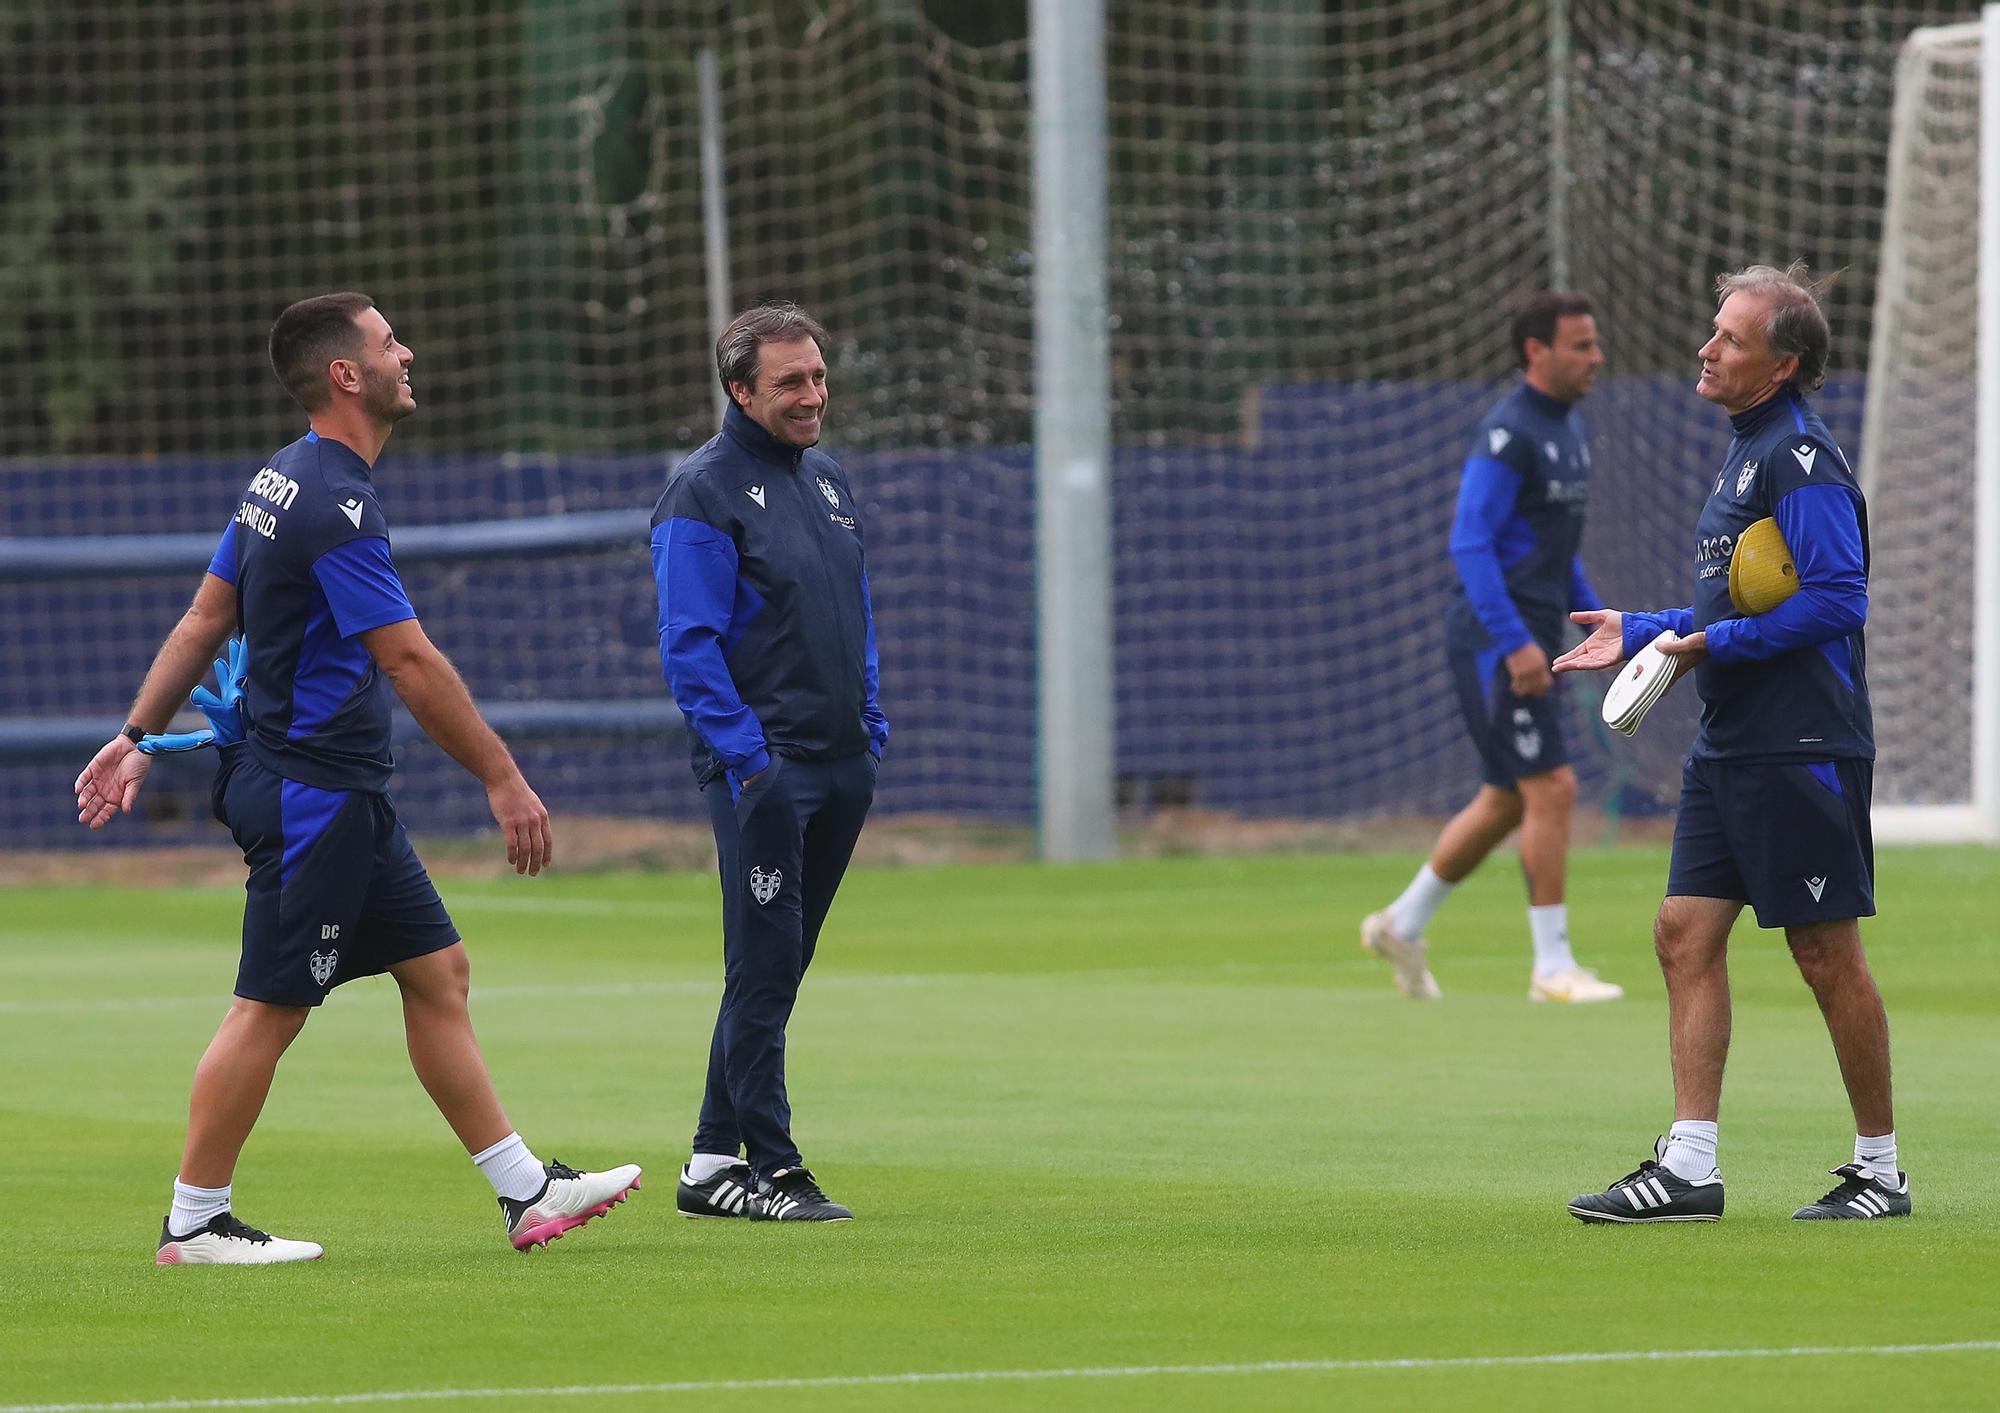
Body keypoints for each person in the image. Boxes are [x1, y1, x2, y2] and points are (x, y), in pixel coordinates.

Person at [75, 293, 641, 1264]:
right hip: (310, 795)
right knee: (272, 1004)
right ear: (347, 374)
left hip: (335, 792)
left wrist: (135, 733)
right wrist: (503, 780)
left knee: (437, 973)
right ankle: (196, 1222)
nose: (405, 352)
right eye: (388, 343)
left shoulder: (278, 481)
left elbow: (206, 619)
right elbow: (410, 662)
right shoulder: (334, 502)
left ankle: (524, 1191)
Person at [1556, 262, 1907, 1223]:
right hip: (1733, 737)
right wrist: (1641, 629)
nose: (1707, 349)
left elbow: (1839, 600)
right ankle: (1690, 1167)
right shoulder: (1747, 448)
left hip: (1802, 741)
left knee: (1823, 952)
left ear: (1783, 364)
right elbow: (1735, 601)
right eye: (1713, 330)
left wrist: (1710, 645)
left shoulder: (1800, 458)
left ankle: (1880, 1169)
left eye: (1731, 339)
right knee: (1683, 933)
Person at [652, 303, 887, 1224]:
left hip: (840, 765)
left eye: (818, 376)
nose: (812, 395)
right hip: (765, 772)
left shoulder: (828, 481)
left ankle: (712, 1161)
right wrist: (752, 762)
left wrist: (869, 728)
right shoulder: (701, 492)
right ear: (741, 390)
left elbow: (855, 613)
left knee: (780, 965)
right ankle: (774, 1166)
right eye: (790, 381)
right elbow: (688, 644)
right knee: (761, 965)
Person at [1361, 292, 1624, 1004]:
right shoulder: (1508, 433)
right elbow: (1469, 542)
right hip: (1493, 640)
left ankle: (1401, 924)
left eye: (1595, 343)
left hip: (1534, 634)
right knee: (1554, 786)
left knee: (1510, 799)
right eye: (1580, 345)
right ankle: (1551, 969)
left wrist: (1595, 618)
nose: (1596, 356)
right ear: (1536, 351)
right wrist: (1515, 645)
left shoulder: (1568, 429)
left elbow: (1557, 546)